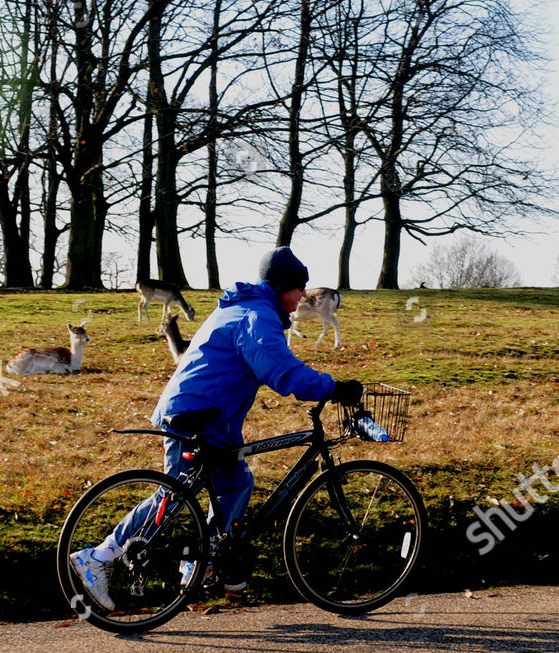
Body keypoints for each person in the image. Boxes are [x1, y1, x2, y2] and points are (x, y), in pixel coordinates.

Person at [69, 246, 363, 612]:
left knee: (236, 482)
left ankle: (206, 560)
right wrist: (334, 387)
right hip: (197, 414)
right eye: (299, 287)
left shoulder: (250, 308)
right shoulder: (256, 317)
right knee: (175, 493)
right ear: (282, 285)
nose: (303, 295)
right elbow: (283, 372)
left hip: (212, 415)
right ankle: (99, 556)